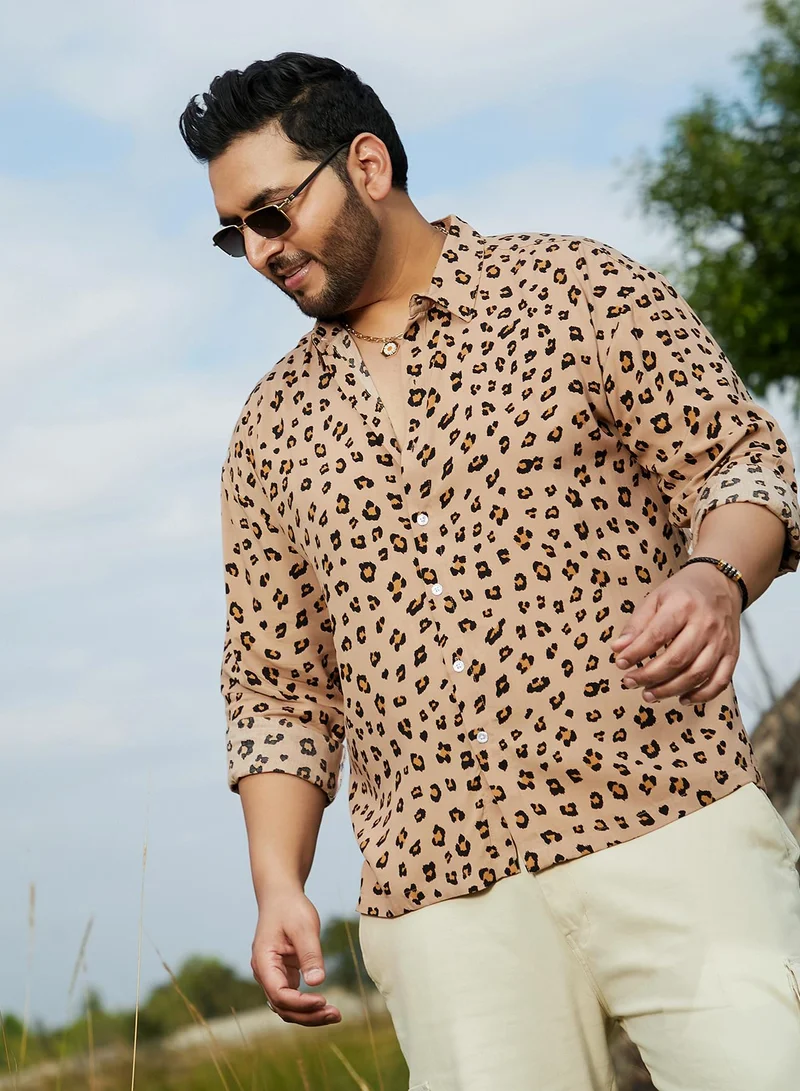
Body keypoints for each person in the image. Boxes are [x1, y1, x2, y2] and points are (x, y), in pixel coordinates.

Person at [178, 52, 800, 1091]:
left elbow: (739, 464)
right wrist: (277, 880)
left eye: (272, 214)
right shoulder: (268, 432)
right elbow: (277, 687)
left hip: (668, 822)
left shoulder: (576, 289)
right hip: (441, 906)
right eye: (233, 231)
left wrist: (713, 576)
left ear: (366, 165)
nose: (258, 250)